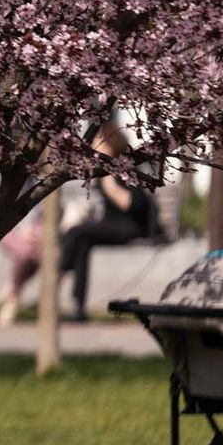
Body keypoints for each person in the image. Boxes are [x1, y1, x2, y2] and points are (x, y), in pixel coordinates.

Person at [60, 124, 155, 322]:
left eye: (99, 144)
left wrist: (109, 182)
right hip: (112, 224)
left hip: (130, 226)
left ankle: (58, 273)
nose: (94, 148)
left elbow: (132, 204)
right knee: (82, 243)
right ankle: (78, 307)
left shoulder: (125, 170)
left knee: (77, 233)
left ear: (110, 146)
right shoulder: (105, 171)